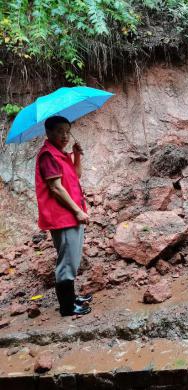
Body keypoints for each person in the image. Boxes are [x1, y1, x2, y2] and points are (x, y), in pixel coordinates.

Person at [35, 116, 92, 316]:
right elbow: (56, 188)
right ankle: (67, 308)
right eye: (60, 131)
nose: (65, 135)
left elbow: (76, 176)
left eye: (67, 131)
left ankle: (72, 298)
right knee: (67, 262)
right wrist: (77, 210)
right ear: (48, 132)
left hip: (70, 215)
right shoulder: (48, 156)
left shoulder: (59, 154)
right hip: (63, 217)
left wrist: (76, 156)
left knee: (72, 259)